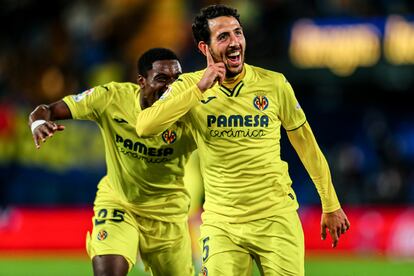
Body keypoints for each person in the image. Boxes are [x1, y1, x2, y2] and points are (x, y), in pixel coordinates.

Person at [136, 5, 350, 276]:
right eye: (223, 37)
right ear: (205, 48)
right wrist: (199, 89)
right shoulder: (188, 86)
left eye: (238, 32)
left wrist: (330, 203)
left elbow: (306, 145)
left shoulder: (274, 84)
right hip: (222, 225)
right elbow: (145, 126)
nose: (235, 41)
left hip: (276, 219)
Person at [28, 48, 196, 276]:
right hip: (119, 202)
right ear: (141, 81)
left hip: (167, 212)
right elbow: (46, 110)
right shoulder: (112, 98)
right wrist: (38, 125)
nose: (171, 87)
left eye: (177, 80)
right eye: (161, 79)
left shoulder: (193, 111)